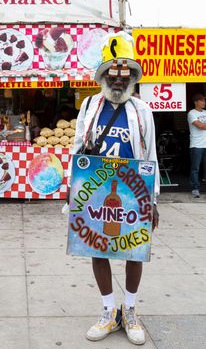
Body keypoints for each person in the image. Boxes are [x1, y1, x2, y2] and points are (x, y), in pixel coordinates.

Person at [68, 31, 160, 345]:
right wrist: (73, 191)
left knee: (135, 249)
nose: (119, 80)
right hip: (96, 189)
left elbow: (150, 157)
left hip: (134, 192)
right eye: (113, 74)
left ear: (132, 77)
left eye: (125, 75)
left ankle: (130, 310)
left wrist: (154, 200)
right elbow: (77, 149)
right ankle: (109, 311)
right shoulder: (90, 107)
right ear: (104, 75)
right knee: (97, 247)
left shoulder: (142, 110)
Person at [187, 93, 206, 198]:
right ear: (196, 102)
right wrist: (203, 125)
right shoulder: (191, 113)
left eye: (204, 101)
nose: (204, 102)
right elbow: (200, 126)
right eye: (201, 100)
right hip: (196, 145)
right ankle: (195, 188)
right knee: (195, 168)